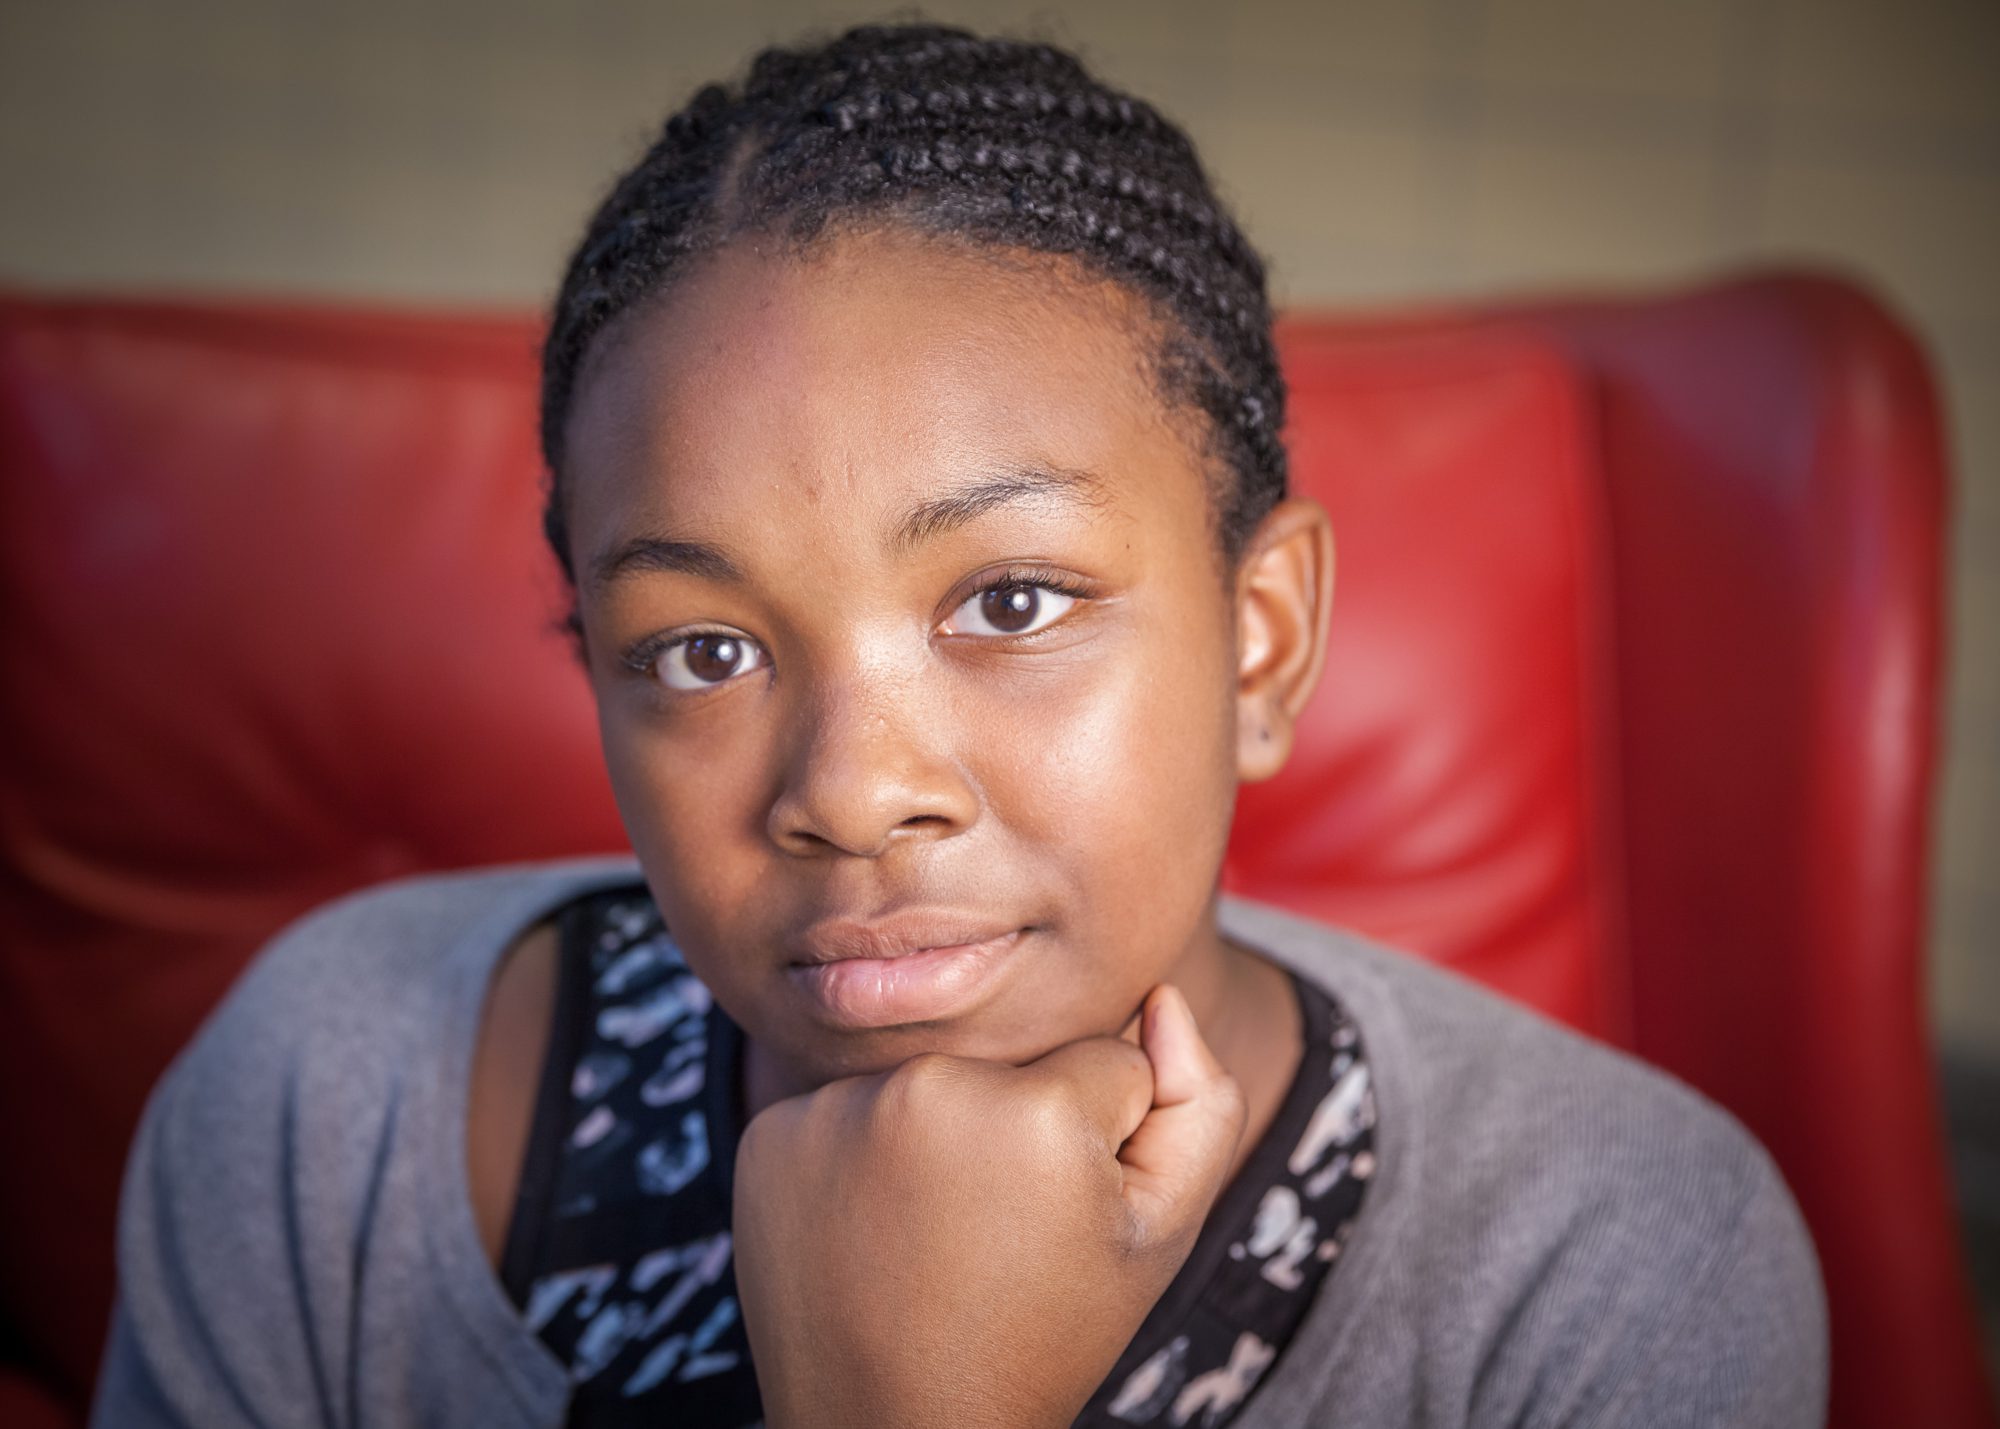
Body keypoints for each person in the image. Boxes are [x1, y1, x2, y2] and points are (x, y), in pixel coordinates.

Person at [88, 22, 1827, 1429]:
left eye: (1011, 603)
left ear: (1263, 642)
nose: (850, 792)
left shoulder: (1614, 1262)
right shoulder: (334, 1098)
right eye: (699, 647)